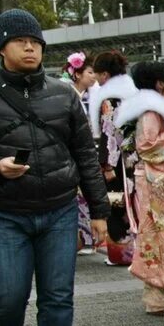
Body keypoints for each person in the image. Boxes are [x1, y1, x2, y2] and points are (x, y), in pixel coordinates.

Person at [0, 9, 109, 326]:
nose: (30, 47)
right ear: (2, 48)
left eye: (36, 42)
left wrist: (99, 212)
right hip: (7, 213)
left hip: (60, 209)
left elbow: (85, 154)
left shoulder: (63, 94)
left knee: (57, 294)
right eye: (20, 41)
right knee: (8, 294)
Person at [114, 61, 164, 316]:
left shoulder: (159, 107)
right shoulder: (151, 110)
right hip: (153, 179)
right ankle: (160, 298)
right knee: (159, 234)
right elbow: (147, 145)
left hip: (160, 178)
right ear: (159, 84)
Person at [89, 50, 138, 264]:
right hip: (133, 157)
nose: (96, 79)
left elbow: (109, 132)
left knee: (116, 204)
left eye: (98, 74)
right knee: (132, 203)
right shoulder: (132, 91)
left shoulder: (108, 98)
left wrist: (106, 165)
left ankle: (121, 254)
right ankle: (135, 250)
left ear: (106, 75)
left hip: (116, 160)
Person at [62, 51, 98, 255]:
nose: (93, 76)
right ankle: (79, 239)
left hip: (88, 147)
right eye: (89, 72)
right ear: (77, 74)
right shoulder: (66, 93)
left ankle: (86, 239)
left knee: (86, 193)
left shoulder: (94, 96)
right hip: (71, 150)